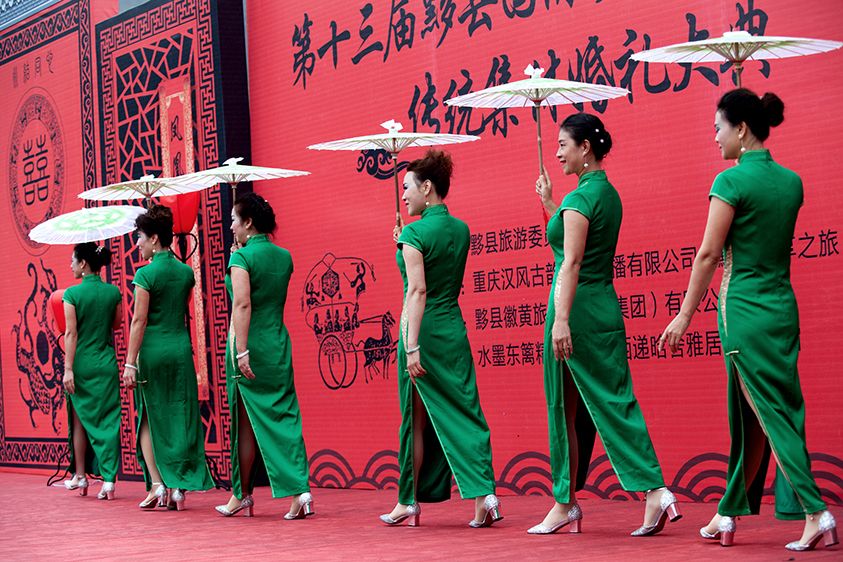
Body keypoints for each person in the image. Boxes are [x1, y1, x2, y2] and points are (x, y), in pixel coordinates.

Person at [659, 89, 837, 551]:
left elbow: (707, 255)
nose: (715, 138)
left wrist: (683, 315)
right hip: (781, 309)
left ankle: (815, 512)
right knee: (754, 414)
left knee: (769, 413)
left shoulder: (730, 182)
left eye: (718, 128)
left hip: (743, 312)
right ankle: (728, 513)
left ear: (740, 129)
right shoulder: (792, 182)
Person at [529, 113, 679, 536]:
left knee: (562, 409)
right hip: (603, 307)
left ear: (585, 148)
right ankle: (651, 491)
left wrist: (561, 320)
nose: (558, 153)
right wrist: (550, 203)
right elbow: (575, 243)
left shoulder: (581, 200)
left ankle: (568, 502)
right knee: (616, 401)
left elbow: (571, 262)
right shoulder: (605, 194)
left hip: (574, 310)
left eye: (563, 145)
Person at [381, 149, 501, 528]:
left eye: (407, 187)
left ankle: (407, 501)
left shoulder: (415, 233)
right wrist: (402, 244)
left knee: (414, 419)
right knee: (467, 411)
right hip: (453, 327)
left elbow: (418, 291)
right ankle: (485, 496)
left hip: (421, 330)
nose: (403, 195)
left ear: (427, 188)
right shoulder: (460, 229)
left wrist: (412, 346)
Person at [215, 193, 312, 520]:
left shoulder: (242, 259)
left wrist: (241, 350)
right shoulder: (284, 257)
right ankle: (300, 491)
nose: (231, 226)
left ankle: (241, 495)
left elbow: (243, 304)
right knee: (286, 417)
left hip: (249, 345)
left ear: (248, 222)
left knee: (243, 423)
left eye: (234, 220)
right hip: (277, 343)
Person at [122, 204, 213, 510]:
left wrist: (130, 362)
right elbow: (180, 310)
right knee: (179, 416)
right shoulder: (186, 273)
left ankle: (158, 484)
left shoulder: (145, 274)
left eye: (140, 237)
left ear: (154, 238)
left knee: (149, 416)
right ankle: (178, 488)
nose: (138, 243)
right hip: (180, 350)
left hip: (153, 352)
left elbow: (139, 320)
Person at [61, 242, 122, 500]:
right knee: (109, 420)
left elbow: (71, 333)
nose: (71, 265)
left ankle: (81, 476)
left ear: (83, 264)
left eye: (73, 260)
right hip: (106, 362)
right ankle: (108, 481)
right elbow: (117, 324)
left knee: (79, 419)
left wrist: (68, 369)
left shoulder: (71, 295)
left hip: (82, 364)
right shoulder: (113, 292)